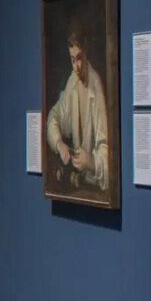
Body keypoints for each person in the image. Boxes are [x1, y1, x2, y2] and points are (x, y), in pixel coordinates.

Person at [46, 25, 110, 190]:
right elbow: (54, 116)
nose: (77, 67)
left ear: (86, 51)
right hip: (78, 184)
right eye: (72, 60)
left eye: (80, 58)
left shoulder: (96, 88)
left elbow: (108, 152)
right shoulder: (72, 81)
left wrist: (91, 162)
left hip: (96, 186)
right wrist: (59, 143)